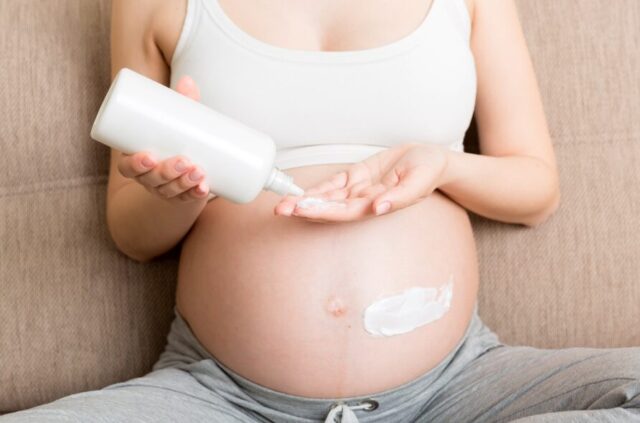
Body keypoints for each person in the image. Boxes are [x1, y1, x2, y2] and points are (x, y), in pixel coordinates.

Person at [3, 0, 639, 422]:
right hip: (222, 398)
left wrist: (443, 166)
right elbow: (133, 235)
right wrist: (181, 192)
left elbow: (536, 188)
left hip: (456, 390)